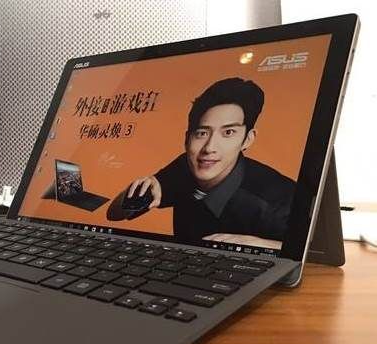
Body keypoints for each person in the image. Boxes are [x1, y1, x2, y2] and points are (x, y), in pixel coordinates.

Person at [111, 77, 295, 249]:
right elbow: (114, 214)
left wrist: (265, 246)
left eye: (228, 132)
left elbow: (302, 252)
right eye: (202, 133)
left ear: (247, 139)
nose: (209, 148)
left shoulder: (279, 200)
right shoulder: (186, 166)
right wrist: (137, 192)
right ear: (187, 139)